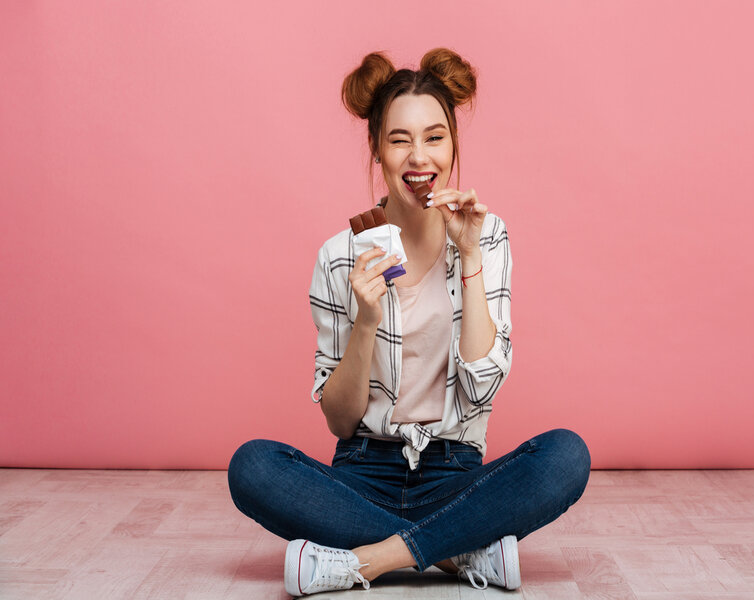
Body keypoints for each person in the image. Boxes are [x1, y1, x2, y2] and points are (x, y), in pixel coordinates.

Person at [227, 48, 591, 596]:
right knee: (252, 466)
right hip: (359, 474)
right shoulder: (339, 255)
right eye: (400, 139)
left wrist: (468, 257)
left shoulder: (487, 237)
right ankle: (455, 552)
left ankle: (366, 561)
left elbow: (481, 387)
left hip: (455, 472)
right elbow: (340, 421)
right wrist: (366, 321)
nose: (418, 156)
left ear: (453, 147)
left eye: (434, 137)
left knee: (567, 455)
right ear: (377, 149)